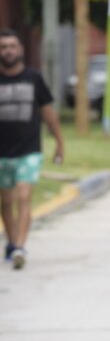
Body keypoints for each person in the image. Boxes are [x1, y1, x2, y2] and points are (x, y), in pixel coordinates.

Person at [0, 29, 64, 270]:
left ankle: (19, 247)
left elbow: (48, 113)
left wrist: (59, 142)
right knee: (5, 201)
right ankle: (12, 241)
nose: (8, 51)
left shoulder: (33, 78)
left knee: (24, 195)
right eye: (3, 47)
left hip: (29, 149)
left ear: (20, 50)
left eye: (12, 46)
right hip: (2, 152)